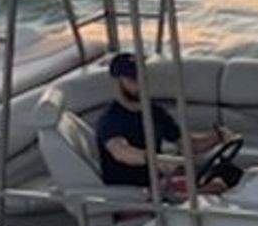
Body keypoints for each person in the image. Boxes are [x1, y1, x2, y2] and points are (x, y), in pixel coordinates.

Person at [93, 51, 238, 196]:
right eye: (132, 78)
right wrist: (155, 160)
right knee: (217, 187)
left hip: (160, 184)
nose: (139, 83)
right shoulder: (110, 120)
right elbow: (121, 151)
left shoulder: (154, 111)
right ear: (116, 82)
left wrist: (218, 137)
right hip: (134, 194)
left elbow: (187, 143)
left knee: (229, 174)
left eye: (141, 76)